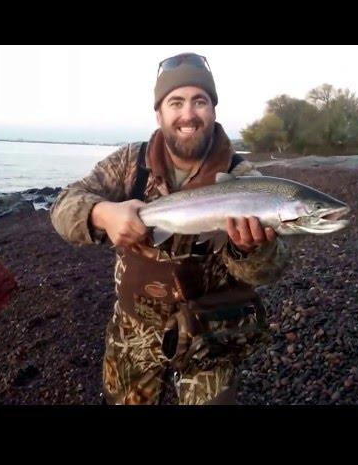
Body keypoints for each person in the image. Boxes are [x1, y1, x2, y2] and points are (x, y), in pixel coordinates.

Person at [50, 52, 289, 405]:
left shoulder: (245, 181)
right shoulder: (130, 163)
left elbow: (272, 269)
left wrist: (249, 248)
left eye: (200, 102)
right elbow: (63, 206)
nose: (188, 114)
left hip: (211, 332)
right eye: (175, 102)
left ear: (213, 110)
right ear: (159, 113)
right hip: (132, 330)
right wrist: (103, 214)